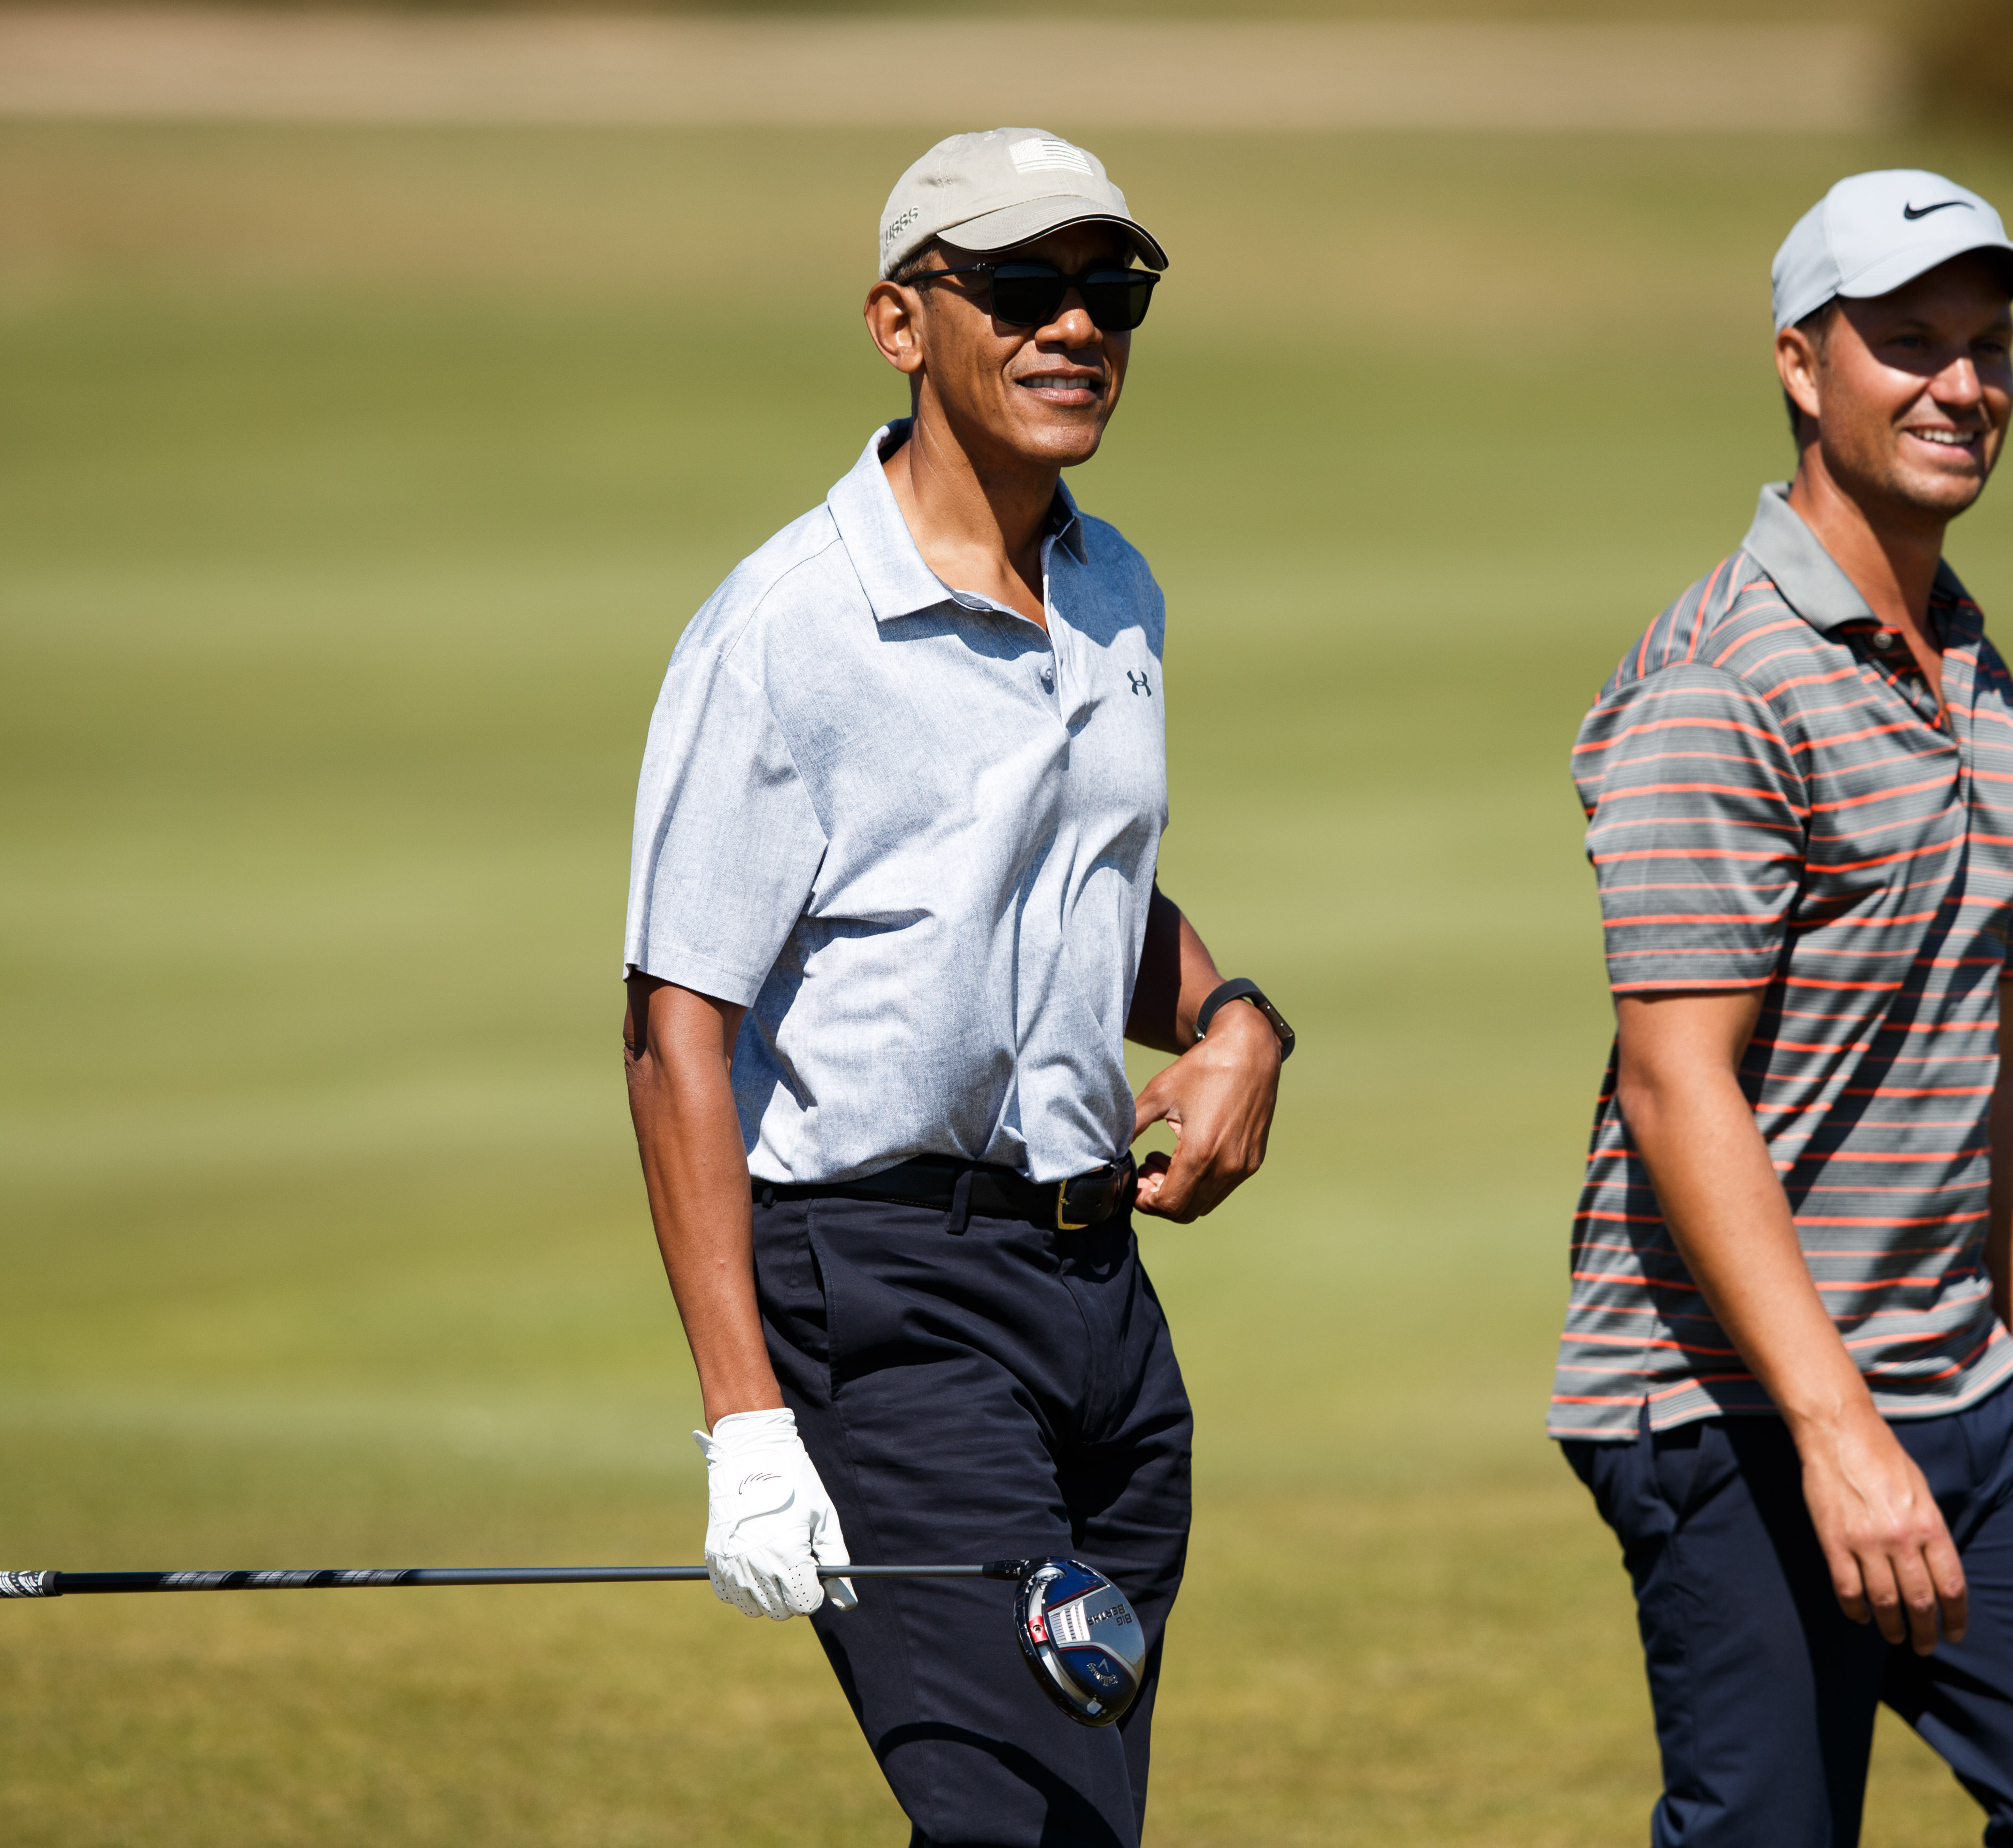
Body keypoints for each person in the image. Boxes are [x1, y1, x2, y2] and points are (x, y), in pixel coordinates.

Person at [620, 127, 1293, 1848]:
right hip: (885, 1304)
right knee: (1016, 1823)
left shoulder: (1114, 589)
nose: (1076, 328)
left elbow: (1090, 889)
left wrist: (1237, 1020)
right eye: (1019, 288)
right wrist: (746, 1425)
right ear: (900, 323)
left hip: (1101, 1309)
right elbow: (675, 1028)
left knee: (1080, 1827)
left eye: (1110, 291)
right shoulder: (788, 627)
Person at [1548, 170, 2013, 1847]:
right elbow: (1676, 1083)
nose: (1963, 386)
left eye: (1988, 348)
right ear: (1799, 363)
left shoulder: (1968, 658)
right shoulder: (1721, 682)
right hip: (1731, 1402)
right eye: (1910, 343)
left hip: (1965, 1384)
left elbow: (2005, 1034)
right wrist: (1838, 1433)